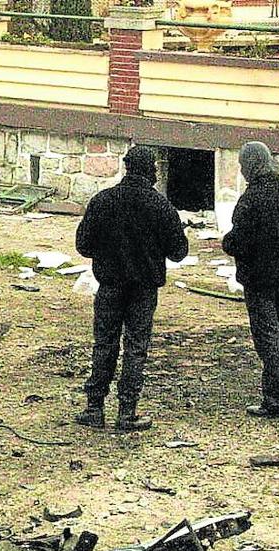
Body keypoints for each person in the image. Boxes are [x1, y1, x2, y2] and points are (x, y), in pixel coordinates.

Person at [73, 146, 188, 431]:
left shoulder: (103, 200)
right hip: (144, 290)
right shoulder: (161, 206)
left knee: (104, 344)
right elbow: (179, 252)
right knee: (136, 347)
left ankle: (94, 408)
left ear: (126, 167)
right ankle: (127, 412)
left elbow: (83, 245)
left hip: (109, 285)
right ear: (152, 171)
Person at [221, 141, 279, 417]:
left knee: (267, 337)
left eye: (243, 166)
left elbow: (238, 241)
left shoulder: (251, 199)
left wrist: (227, 243)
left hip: (258, 278)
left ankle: (275, 399)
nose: (242, 171)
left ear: (250, 166)